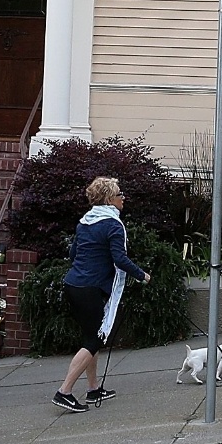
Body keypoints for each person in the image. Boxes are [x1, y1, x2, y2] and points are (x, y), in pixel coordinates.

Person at [54, 177, 148, 413]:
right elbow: (120, 258)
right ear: (109, 199)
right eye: (119, 194)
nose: (123, 198)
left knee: (90, 336)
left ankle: (94, 388)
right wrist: (142, 275)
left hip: (73, 285)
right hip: (90, 289)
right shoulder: (113, 225)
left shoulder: (85, 222)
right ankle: (64, 392)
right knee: (95, 339)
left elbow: (73, 253)